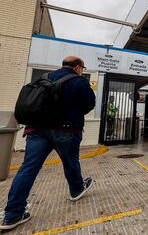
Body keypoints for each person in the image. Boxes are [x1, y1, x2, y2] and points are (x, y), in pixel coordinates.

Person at [0, 56, 96, 231]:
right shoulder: (79, 82)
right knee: (71, 162)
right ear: (77, 67)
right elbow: (90, 104)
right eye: (82, 68)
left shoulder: (43, 78)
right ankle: (76, 190)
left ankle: (12, 215)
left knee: (28, 169)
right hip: (67, 130)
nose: (82, 70)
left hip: (37, 131)